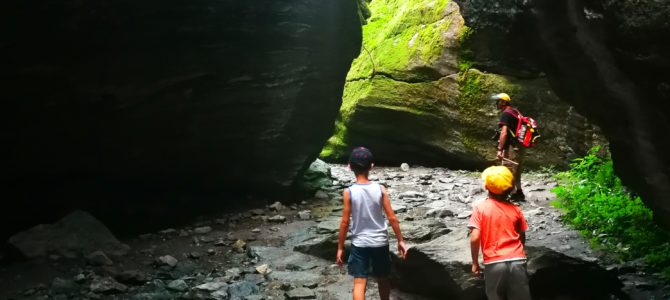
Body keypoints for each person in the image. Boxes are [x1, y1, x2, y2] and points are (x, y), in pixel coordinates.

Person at [336, 147, 408, 300]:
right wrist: (401, 240)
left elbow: (344, 222)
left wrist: (340, 247)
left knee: (359, 282)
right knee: (383, 278)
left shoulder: (349, 191)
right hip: (380, 243)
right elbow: (392, 218)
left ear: (349, 166)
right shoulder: (380, 189)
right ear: (372, 167)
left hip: (360, 243)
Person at [468, 165, 531, 300]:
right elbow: (522, 236)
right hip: (517, 260)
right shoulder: (515, 209)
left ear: (486, 187)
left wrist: (475, 263)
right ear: (510, 188)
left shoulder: (480, 209)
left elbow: (474, 238)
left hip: (494, 262)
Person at [492, 92, 525, 201]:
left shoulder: (506, 113)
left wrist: (499, 149)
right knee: (517, 169)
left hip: (512, 147)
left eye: (498, 101)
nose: (496, 104)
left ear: (503, 102)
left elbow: (504, 133)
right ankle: (519, 192)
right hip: (520, 146)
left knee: (508, 170)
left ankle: (509, 195)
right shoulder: (515, 111)